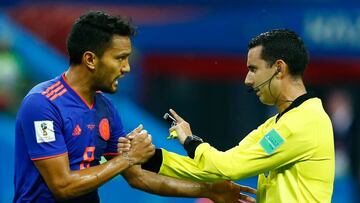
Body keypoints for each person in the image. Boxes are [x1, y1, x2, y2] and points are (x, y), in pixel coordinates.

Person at [13, 11, 256, 203]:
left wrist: (208, 190)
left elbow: (138, 177)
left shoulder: (105, 108)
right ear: (90, 59)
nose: (127, 68)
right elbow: (62, 186)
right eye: (120, 58)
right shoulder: (43, 104)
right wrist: (128, 158)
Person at [121, 29, 335, 203]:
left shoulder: (305, 122)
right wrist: (152, 156)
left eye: (253, 69)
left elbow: (229, 167)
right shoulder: (277, 124)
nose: (247, 80)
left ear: (279, 68)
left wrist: (190, 141)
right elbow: (219, 168)